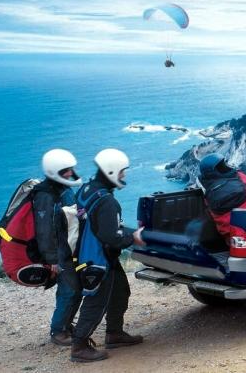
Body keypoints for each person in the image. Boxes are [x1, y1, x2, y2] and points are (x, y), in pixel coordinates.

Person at [70, 148, 146, 363]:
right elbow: (111, 236)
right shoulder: (107, 201)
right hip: (98, 259)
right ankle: (79, 346)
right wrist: (134, 238)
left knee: (120, 292)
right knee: (96, 301)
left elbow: (97, 224)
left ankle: (114, 333)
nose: (124, 175)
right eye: (122, 171)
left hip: (91, 253)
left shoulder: (86, 189)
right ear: (111, 171)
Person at [33, 149, 83, 346]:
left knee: (76, 289)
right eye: (65, 170)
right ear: (54, 171)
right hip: (60, 253)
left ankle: (66, 325)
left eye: (70, 169)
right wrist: (52, 259)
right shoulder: (46, 195)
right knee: (68, 290)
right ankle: (58, 330)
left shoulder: (63, 188)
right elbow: (44, 231)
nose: (70, 173)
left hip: (70, 248)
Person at [198, 153, 246, 241]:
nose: (227, 166)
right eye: (223, 165)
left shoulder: (209, 196)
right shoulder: (241, 176)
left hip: (236, 240)